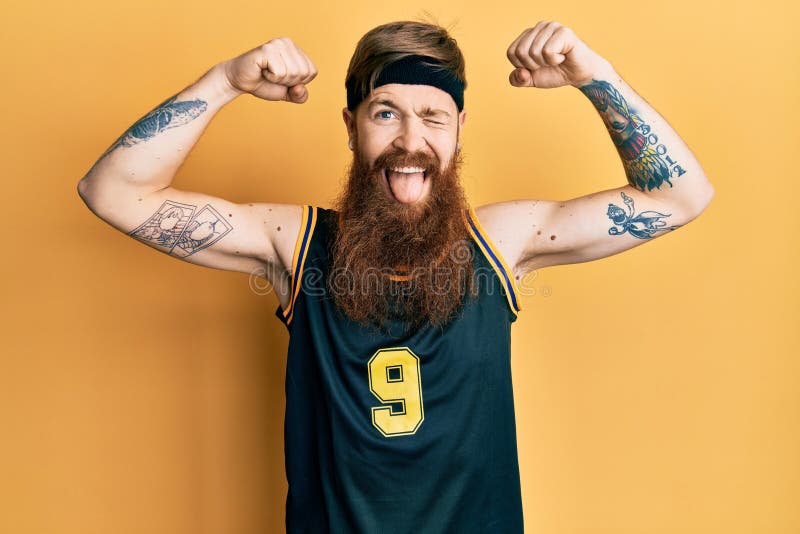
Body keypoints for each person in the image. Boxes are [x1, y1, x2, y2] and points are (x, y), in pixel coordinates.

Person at [77, 19, 713, 534]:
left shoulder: (501, 242)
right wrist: (224, 80)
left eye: (433, 117)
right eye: (385, 113)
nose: (411, 140)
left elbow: (680, 198)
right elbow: (111, 191)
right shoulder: (293, 246)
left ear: (460, 131)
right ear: (351, 127)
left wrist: (593, 75)